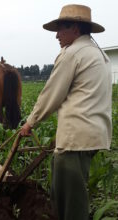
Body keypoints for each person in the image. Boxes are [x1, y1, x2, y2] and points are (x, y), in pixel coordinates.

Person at [20, 4, 112, 220]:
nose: (57, 36)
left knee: (69, 204)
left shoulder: (72, 54)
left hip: (75, 139)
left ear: (76, 29)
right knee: (73, 194)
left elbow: (51, 93)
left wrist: (30, 123)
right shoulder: (98, 54)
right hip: (94, 136)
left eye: (61, 29)